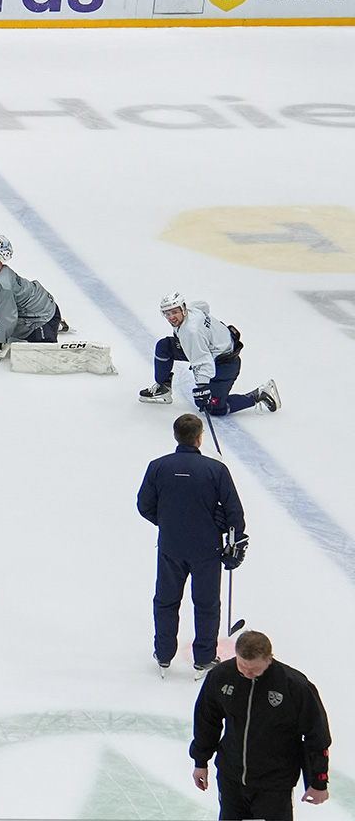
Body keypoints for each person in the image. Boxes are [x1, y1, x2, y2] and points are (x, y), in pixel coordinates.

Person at [138, 413, 247, 676]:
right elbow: (233, 511)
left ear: (176, 436)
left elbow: (144, 505)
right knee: (207, 604)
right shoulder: (216, 470)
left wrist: (166, 522)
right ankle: (205, 657)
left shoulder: (158, 467)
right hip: (207, 549)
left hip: (171, 547)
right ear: (199, 438)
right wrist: (234, 540)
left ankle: (164, 654)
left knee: (166, 601)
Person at [191, 630, 332, 819]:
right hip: (231, 777)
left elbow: (317, 735)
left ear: (269, 659)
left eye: (254, 669)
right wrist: (200, 761)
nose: (247, 673)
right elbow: (207, 720)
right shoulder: (221, 676)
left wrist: (318, 781)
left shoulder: (294, 686)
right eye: (242, 666)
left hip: (275, 783)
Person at [140, 293, 280, 416]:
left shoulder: (191, 332)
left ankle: (259, 395)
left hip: (225, 363)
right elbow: (203, 305)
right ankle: (163, 388)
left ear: (183, 309)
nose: (171, 317)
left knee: (214, 408)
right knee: (164, 347)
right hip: (213, 350)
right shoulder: (192, 310)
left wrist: (202, 387)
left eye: (174, 312)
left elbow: (202, 360)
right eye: (167, 313)